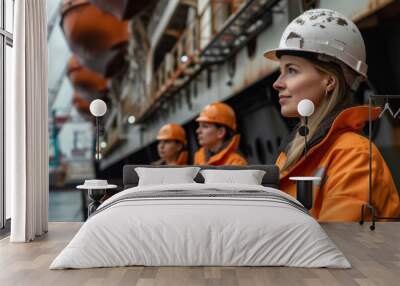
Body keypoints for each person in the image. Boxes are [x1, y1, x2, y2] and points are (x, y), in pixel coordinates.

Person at [263, 8, 400, 221]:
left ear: (329, 81)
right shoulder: (291, 153)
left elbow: (336, 246)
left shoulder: (354, 156)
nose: (277, 83)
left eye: (291, 70)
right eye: (280, 71)